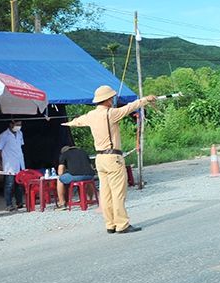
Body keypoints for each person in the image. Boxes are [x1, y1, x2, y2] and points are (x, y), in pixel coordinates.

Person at [62, 86, 156, 234]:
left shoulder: (91, 115)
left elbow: (77, 121)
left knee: (105, 193)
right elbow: (130, 107)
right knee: (118, 193)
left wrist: (66, 123)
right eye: (111, 97)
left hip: (100, 159)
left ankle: (110, 224)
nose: (113, 99)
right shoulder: (111, 114)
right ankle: (122, 224)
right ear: (107, 99)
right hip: (113, 158)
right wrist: (146, 99)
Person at [0, 119, 25, 211]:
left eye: (20, 124)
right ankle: (9, 204)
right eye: (17, 124)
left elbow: (20, 146)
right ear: (11, 124)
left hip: (19, 162)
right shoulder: (3, 136)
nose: (18, 126)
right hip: (9, 164)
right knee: (9, 184)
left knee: (19, 184)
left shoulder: (20, 133)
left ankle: (19, 202)